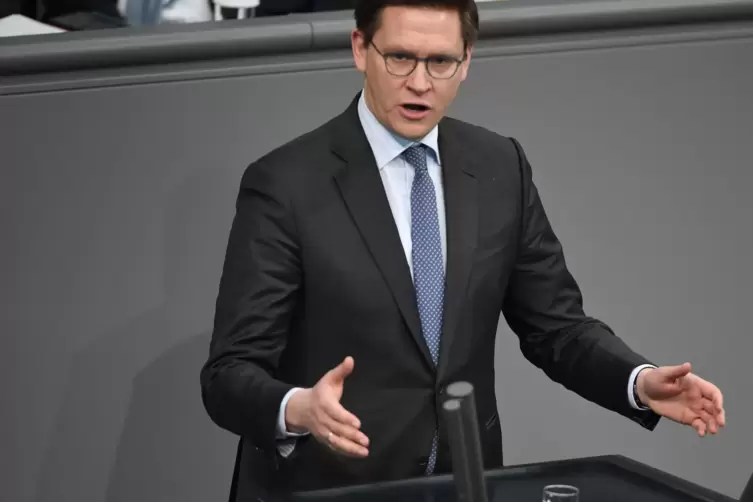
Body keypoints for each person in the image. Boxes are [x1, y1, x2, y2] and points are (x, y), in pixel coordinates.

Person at [199, 0, 726, 500]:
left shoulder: (499, 166)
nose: (420, 82)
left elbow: (558, 327)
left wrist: (636, 381)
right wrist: (298, 408)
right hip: (328, 487)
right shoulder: (286, 184)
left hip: (465, 484)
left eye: (441, 61)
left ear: (467, 61)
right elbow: (229, 373)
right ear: (361, 48)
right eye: (401, 57)